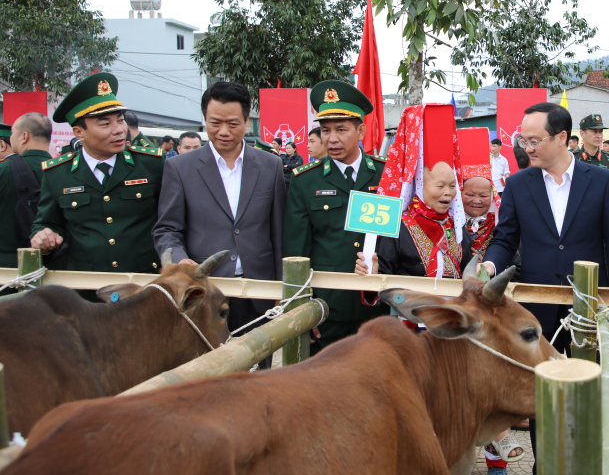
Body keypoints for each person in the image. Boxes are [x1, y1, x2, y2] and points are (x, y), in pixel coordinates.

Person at [483, 101, 609, 475]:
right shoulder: (517, 184)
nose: (527, 147)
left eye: (535, 140)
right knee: (542, 395)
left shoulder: (600, 181)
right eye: (523, 140)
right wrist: (490, 265)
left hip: (588, 308)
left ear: (562, 137)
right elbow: (505, 238)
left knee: (587, 392)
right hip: (537, 312)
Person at [153, 81, 287, 369]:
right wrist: (180, 262)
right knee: (209, 377)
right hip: (205, 293)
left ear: (247, 121)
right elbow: (167, 230)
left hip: (258, 294)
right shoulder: (181, 168)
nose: (223, 132)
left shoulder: (270, 165)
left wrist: (279, 288)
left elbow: (278, 231)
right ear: (204, 120)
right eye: (215, 123)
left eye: (232, 124)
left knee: (256, 373)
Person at [283, 81, 388, 351]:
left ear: (360, 130)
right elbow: (296, 250)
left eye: (341, 130)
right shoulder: (305, 180)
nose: (332, 139)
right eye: (326, 130)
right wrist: (300, 308)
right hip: (326, 308)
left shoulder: (385, 175)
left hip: (378, 305)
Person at [30, 73, 165, 279]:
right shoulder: (57, 173)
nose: (119, 130)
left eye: (120, 121)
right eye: (105, 124)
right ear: (79, 132)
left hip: (144, 282)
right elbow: (47, 222)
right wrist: (43, 237)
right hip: (86, 287)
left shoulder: (151, 164)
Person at [456, 127, 522, 475]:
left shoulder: (503, 228)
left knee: (493, 387)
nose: (478, 200)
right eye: (470, 194)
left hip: (492, 322)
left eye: (485, 194)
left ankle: (497, 463)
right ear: (459, 193)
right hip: (458, 319)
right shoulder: (448, 226)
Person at [358, 103, 474, 280]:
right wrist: (372, 276)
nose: (448, 193)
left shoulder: (457, 228)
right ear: (420, 186)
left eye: (452, 186)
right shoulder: (397, 228)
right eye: (440, 186)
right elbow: (382, 281)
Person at [0, 113, 52, 272]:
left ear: (24, 137)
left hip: (6, 269)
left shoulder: (3, 171)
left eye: (12, 134)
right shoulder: (66, 170)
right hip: (54, 267)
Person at [575, 114, 609, 234]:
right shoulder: (572, 160)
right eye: (594, 131)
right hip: (578, 224)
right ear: (582, 134)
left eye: (600, 132)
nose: (598, 135)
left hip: (605, 223)